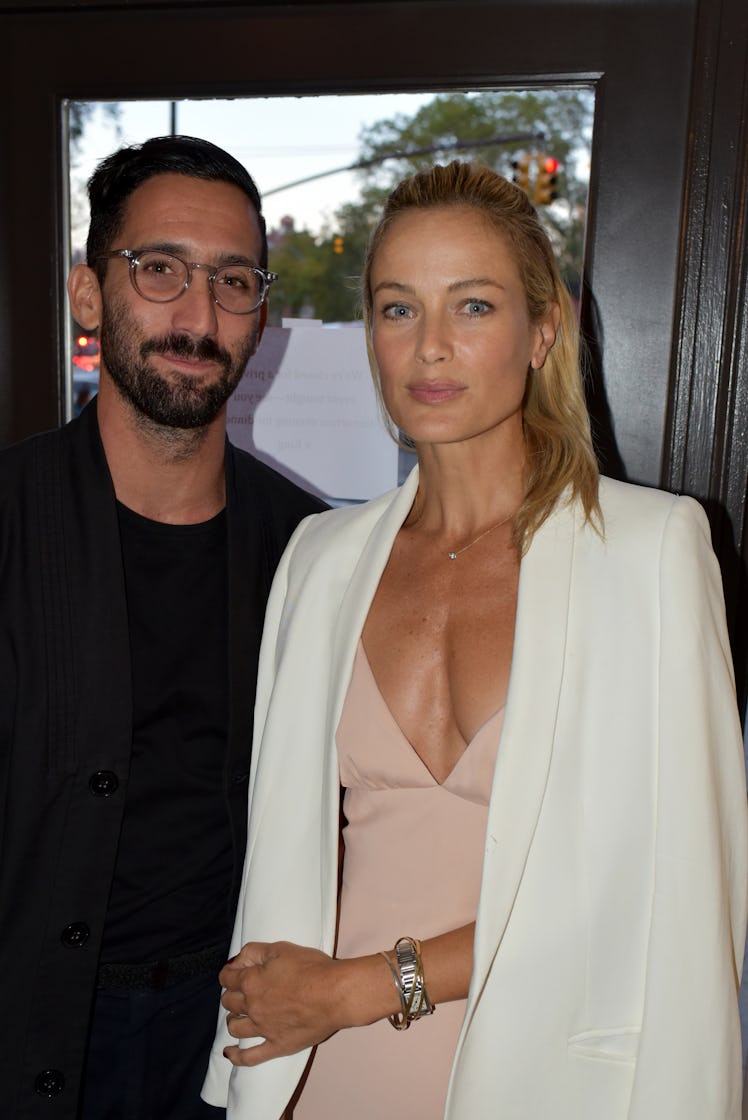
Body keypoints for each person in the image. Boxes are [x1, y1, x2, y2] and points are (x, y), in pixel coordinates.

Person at [203, 161, 748, 1119]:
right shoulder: (320, 559)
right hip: (323, 1064)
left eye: (475, 306)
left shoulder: (652, 551)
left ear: (544, 331)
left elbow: (685, 894)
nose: (432, 349)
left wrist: (369, 986)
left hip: (553, 1072)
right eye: (398, 308)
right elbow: (281, 852)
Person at [0, 135, 325, 1120]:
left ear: (261, 318)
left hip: (224, 1053)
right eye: (160, 270)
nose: (198, 315)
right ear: (89, 295)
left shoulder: (309, 551)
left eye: (232, 281)